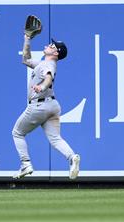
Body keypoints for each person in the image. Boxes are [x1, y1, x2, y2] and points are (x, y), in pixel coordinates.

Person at [12, 15, 80, 179]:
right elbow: (26, 59)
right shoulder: (44, 63)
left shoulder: (48, 64)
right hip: (52, 106)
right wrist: (27, 38)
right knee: (55, 139)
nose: (47, 45)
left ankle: (25, 164)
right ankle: (72, 158)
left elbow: (48, 77)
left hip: (39, 106)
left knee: (17, 133)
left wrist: (42, 86)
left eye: (51, 45)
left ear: (55, 52)